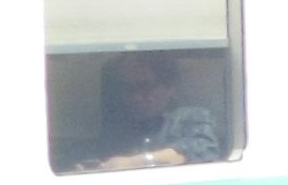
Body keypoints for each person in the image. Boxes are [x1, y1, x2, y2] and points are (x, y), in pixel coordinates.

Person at [92, 48, 222, 169]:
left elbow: (203, 152)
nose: (136, 97)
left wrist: (132, 163)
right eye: (129, 89)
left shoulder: (193, 117)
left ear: (170, 87)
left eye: (146, 87)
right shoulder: (119, 128)